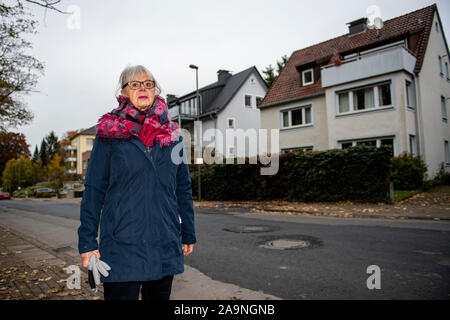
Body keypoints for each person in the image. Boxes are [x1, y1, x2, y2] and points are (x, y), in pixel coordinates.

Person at [77, 65, 196, 300]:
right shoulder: (109, 134)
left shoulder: (173, 136)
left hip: (164, 241)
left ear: (155, 91)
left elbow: (182, 188)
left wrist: (188, 232)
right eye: (135, 84)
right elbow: (94, 190)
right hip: (122, 246)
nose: (142, 88)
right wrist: (87, 242)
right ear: (123, 93)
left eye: (148, 84)